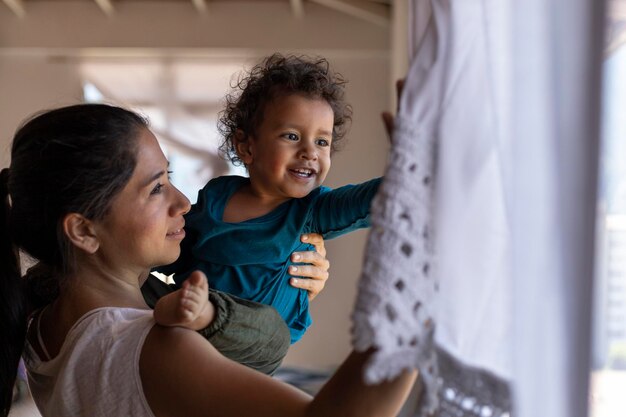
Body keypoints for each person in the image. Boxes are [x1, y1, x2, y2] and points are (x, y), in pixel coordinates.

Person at [0, 103, 415, 417]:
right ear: (83, 231)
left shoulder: (42, 324)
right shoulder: (156, 346)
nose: (183, 202)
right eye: (156, 188)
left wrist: (273, 274)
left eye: (171, 178)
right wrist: (419, 281)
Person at [158, 54, 382, 343]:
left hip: (256, 344)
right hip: (190, 340)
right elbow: (172, 249)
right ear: (247, 147)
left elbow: (373, 200)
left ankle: (206, 316)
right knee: (148, 291)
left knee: (263, 325)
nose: (310, 152)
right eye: (291, 136)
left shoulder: (312, 210)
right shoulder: (217, 197)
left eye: (321, 141)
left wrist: (414, 168)